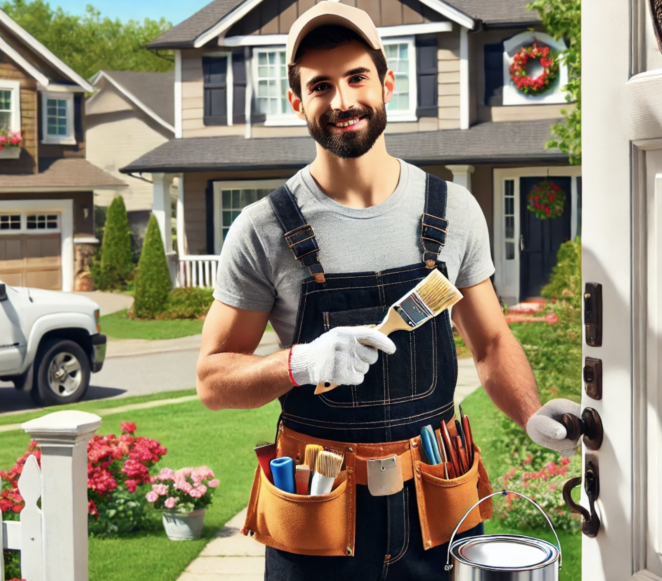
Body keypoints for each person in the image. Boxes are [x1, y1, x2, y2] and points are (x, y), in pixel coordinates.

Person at [195, 3, 580, 579]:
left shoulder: (453, 212)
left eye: (356, 77)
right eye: (321, 85)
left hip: (437, 508)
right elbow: (213, 382)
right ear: (298, 102)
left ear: (387, 83)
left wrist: (530, 414)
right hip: (320, 520)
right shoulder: (265, 228)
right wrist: (301, 362)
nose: (343, 100)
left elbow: (493, 343)